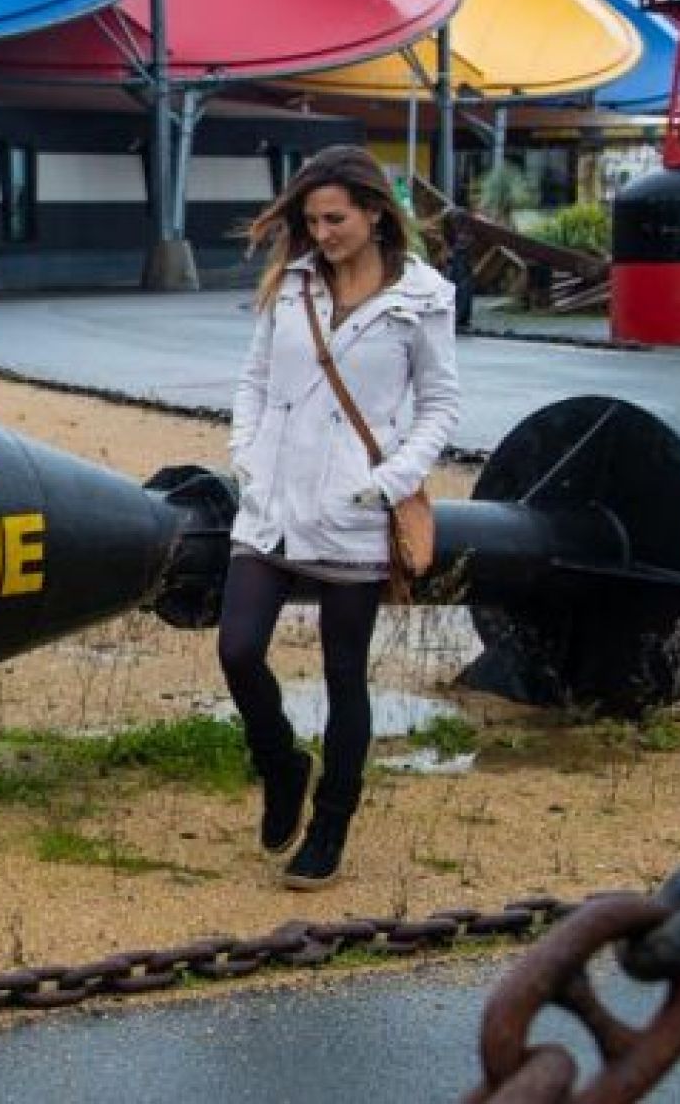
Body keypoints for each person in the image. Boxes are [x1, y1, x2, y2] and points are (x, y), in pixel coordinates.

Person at [223, 144, 461, 890]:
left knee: (342, 675)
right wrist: (246, 454)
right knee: (236, 650)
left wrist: (392, 478)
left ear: (371, 212)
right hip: (270, 503)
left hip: (356, 512)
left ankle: (329, 825)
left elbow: (440, 403)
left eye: (334, 219)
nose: (320, 233)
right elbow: (254, 378)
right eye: (309, 220)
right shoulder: (290, 284)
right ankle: (281, 765)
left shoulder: (422, 298)